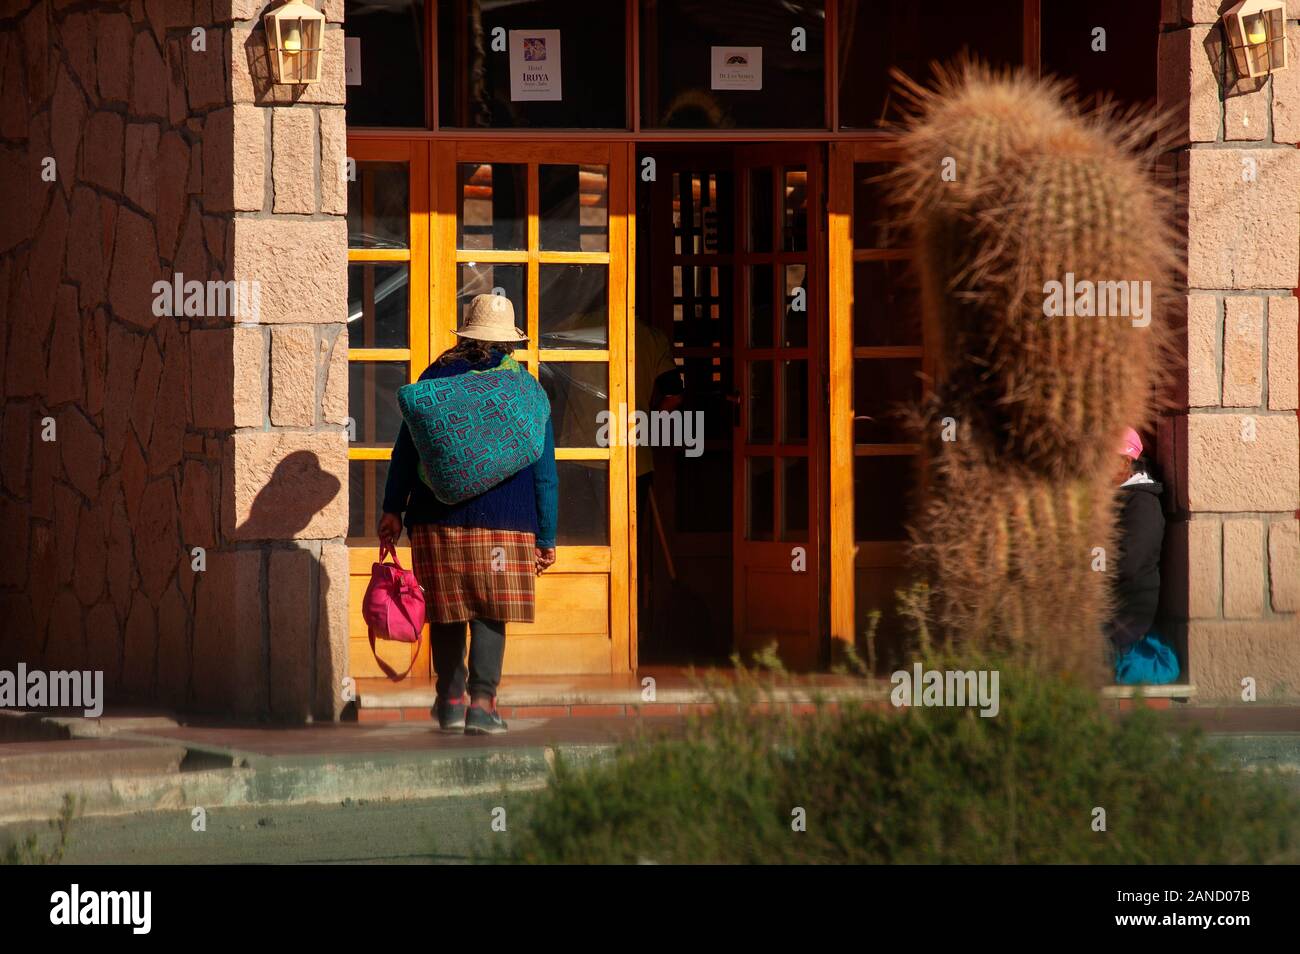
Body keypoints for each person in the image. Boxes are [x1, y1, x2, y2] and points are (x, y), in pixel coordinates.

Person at [378, 294, 558, 735]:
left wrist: (392, 509)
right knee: (490, 609)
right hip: (505, 521)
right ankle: (483, 703)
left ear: (466, 333)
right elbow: (543, 470)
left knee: (446, 608)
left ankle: (450, 700)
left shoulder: (435, 378)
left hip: (436, 519)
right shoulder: (525, 389)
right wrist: (547, 534)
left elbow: (406, 451)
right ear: (509, 341)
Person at [1106, 427, 1178, 685]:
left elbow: (1128, 563)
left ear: (1125, 462)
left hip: (1124, 617)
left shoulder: (1142, 503)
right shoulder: (1108, 499)